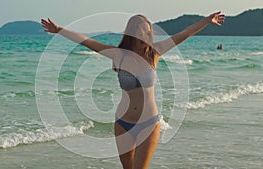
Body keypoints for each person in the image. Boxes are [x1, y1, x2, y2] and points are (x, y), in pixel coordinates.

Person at [41, 11, 225, 169]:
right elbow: (86, 41)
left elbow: (184, 34)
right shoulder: (118, 55)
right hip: (123, 123)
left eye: (148, 29)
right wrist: (59, 30)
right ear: (133, 31)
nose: (147, 32)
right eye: (143, 28)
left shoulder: (154, 53)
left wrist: (207, 21)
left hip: (149, 123)